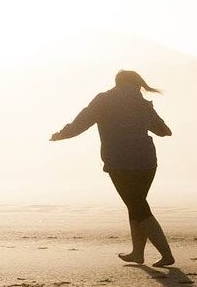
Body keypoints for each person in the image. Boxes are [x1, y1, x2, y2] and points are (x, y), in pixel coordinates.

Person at [51, 70, 176, 267]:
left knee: (138, 206)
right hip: (147, 162)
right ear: (136, 84)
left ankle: (166, 254)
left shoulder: (105, 100)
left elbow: (81, 122)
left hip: (120, 161)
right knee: (136, 205)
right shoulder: (141, 103)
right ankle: (137, 253)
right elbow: (163, 131)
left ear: (117, 83)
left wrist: (61, 134)